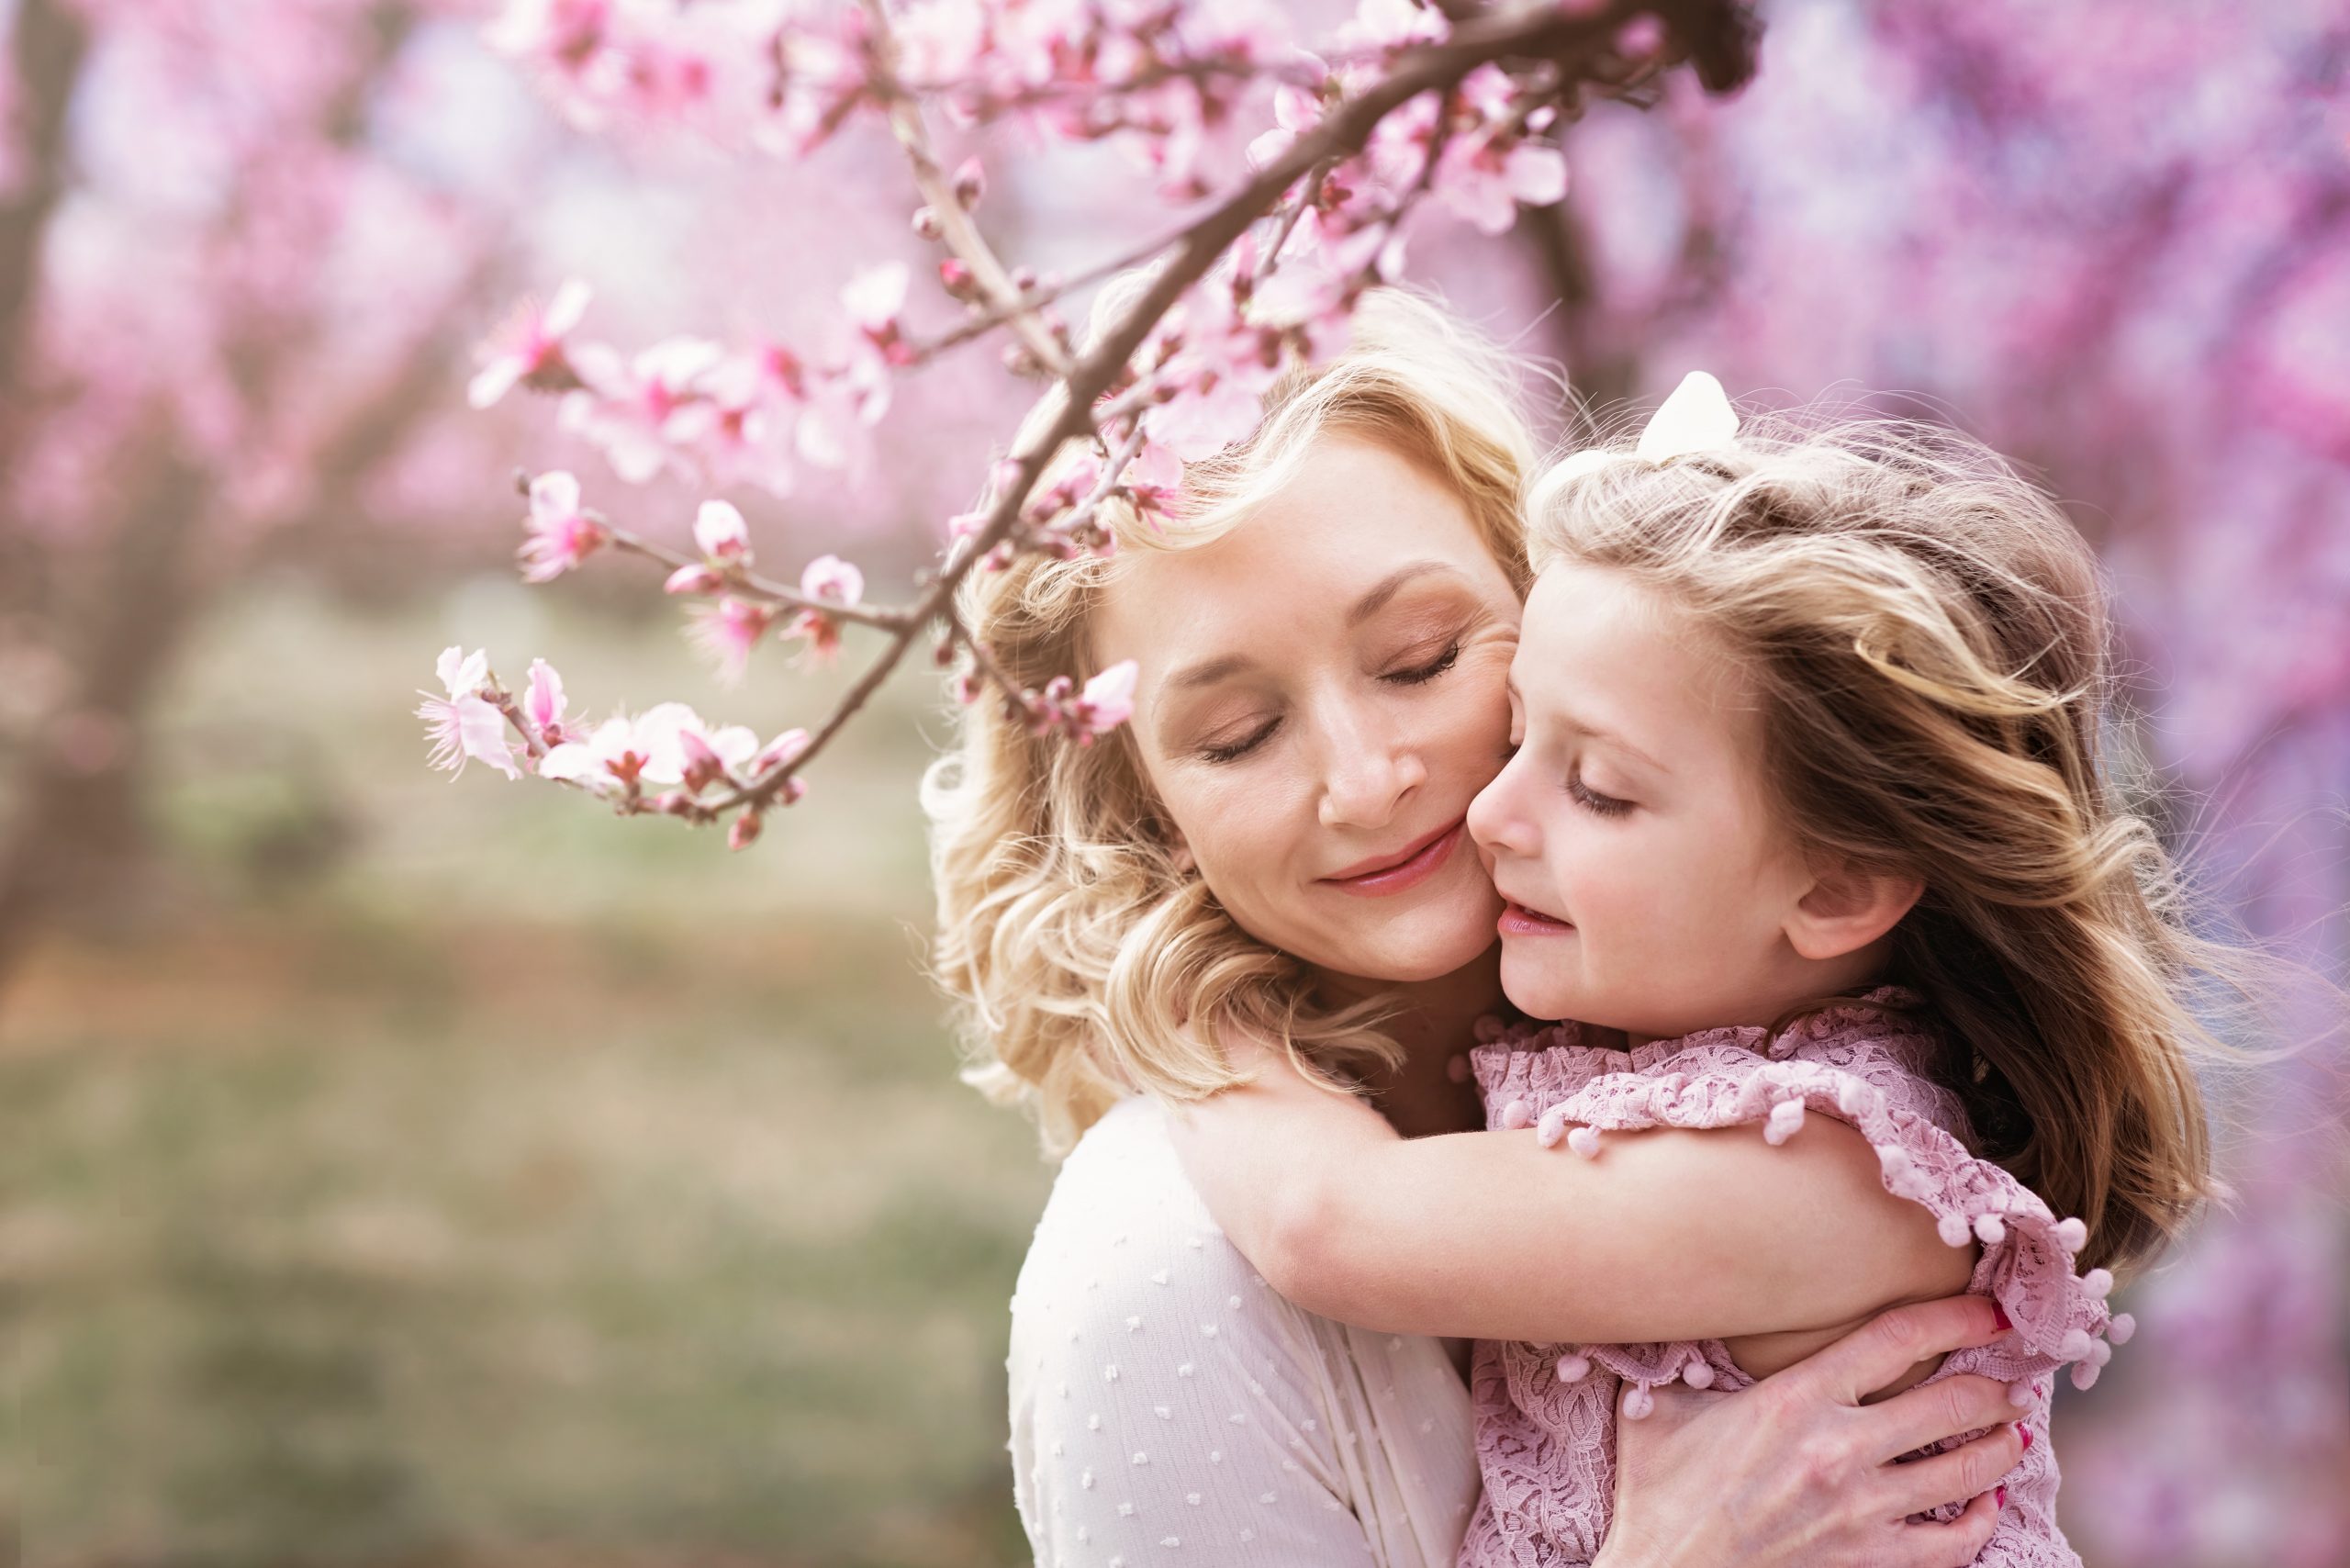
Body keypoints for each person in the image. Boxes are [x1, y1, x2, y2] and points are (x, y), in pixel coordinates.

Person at [925, 283, 2025, 1566]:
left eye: (1421, 658)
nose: (1365, 779)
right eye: (1238, 736)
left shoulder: (1814, 1123)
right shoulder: (1163, 1268)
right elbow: (1325, 1225)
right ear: (1145, 810)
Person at [1170, 375, 2232, 1564]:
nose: (1493, 814)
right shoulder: (1691, 1084)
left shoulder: (1824, 1172)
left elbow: (1328, 1225)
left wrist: (1172, 982)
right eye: (1519, 735)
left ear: (1833, 888)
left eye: (1601, 789)